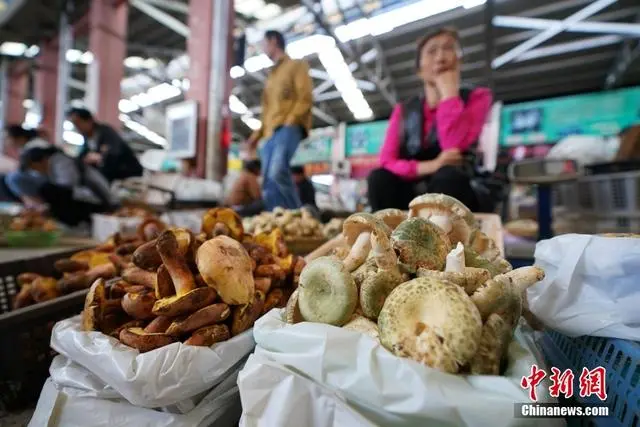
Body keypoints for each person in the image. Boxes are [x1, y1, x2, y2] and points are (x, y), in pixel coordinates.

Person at [367, 27, 492, 212]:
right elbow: (387, 160)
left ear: (459, 60)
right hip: (411, 189)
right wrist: (433, 165)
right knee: (379, 177)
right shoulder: (403, 110)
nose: (441, 58)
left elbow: (453, 148)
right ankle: (388, 236)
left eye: (449, 48)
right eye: (432, 51)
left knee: (449, 176)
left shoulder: (478, 97)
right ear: (419, 69)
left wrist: (449, 94)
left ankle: (447, 239)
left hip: (456, 190)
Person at [245, 30, 313, 211]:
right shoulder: (271, 78)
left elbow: (305, 97)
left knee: (277, 172)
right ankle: (277, 222)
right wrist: (256, 136)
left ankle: (297, 218)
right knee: (267, 181)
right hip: (268, 133)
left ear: (274, 41)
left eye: (264, 44)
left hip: (287, 127)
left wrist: (291, 121)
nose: (262, 49)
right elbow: (266, 112)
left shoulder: (296, 65)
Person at [67, 107, 143, 183]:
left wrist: (100, 157)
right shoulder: (87, 137)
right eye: (75, 124)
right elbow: (83, 156)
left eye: (78, 123)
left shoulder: (106, 132)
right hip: (108, 177)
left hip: (127, 175)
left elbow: (114, 154)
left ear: (89, 120)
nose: (77, 127)